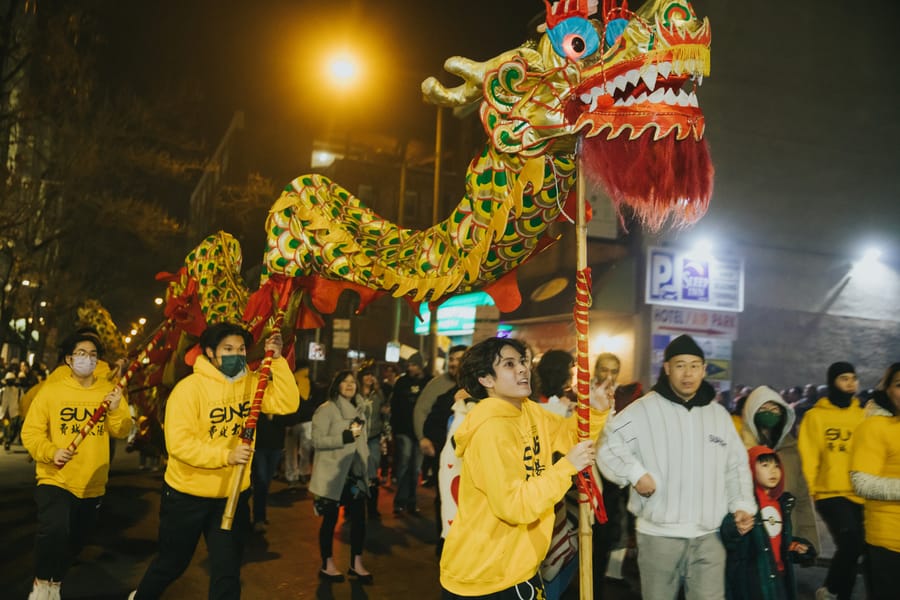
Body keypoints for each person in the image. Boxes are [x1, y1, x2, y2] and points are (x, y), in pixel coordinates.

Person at [129, 322, 299, 600]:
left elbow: (286, 403)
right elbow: (179, 445)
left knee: (227, 570)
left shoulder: (253, 383)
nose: (236, 355)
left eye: (241, 349)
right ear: (209, 352)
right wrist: (226, 456)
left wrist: (278, 361)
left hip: (232, 496)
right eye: (228, 349)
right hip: (187, 495)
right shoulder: (188, 391)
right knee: (172, 564)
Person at [439, 337, 605, 598]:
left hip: (517, 566)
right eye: (509, 364)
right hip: (486, 575)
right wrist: (566, 468)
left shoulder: (528, 411)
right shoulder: (490, 430)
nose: (522, 369)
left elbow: (567, 434)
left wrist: (595, 411)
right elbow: (514, 506)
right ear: (486, 379)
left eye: (523, 362)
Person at [596, 334, 756, 600]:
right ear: (667, 368)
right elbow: (607, 443)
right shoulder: (643, 410)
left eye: (694, 365)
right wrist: (635, 474)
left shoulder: (718, 416)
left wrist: (741, 505)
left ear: (704, 370)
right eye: (680, 365)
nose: (688, 373)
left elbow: (736, 465)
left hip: (710, 536)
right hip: (659, 535)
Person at [21, 329, 131, 600]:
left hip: (92, 482)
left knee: (75, 539)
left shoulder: (109, 391)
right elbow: (31, 432)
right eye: (81, 354)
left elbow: (122, 429)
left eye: (93, 355)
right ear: (69, 360)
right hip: (55, 476)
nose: (87, 359)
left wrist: (117, 408)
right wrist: (50, 452)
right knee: (54, 530)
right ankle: (41, 583)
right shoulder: (52, 391)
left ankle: (55, 582)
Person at [797, 361, 865, 600]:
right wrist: (810, 491)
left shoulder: (863, 415)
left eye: (853, 378)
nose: (850, 383)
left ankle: (839, 594)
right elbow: (809, 455)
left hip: (861, 491)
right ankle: (832, 589)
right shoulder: (815, 417)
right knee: (851, 541)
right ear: (832, 382)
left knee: (856, 547)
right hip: (830, 492)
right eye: (843, 378)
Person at [721, 446, 816, 600]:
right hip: (754, 583)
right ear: (750, 469)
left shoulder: (782, 503)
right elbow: (728, 537)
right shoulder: (744, 504)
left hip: (779, 578)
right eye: (765, 465)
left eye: (776, 466)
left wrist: (794, 547)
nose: (773, 471)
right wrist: (734, 527)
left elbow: (777, 541)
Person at [738, 385, 819, 551]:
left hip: (784, 539)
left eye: (775, 408)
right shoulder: (738, 450)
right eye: (764, 408)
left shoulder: (790, 450)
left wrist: (807, 539)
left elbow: (801, 498)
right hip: (749, 540)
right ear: (751, 411)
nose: (770, 412)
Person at [309, 370, 372, 584]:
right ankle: (327, 563)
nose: (349, 385)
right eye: (344, 382)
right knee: (330, 520)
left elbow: (362, 443)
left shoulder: (360, 411)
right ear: (337, 386)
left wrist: (367, 469)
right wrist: (343, 437)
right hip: (333, 474)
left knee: (359, 521)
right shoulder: (326, 410)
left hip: (355, 475)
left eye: (352, 382)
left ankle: (357, 562)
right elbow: (317, 440)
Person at [849, 362, 900, 600]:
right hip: (889, 542)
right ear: (886, 389)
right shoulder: (874, 427)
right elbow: (862, 482)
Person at [415, 345, 467, 485]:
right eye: (451, 359)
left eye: (459, 359)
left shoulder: (478, 386)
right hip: (443, 449)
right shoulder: (437, 385)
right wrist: (423, 438)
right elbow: (421, 410)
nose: (454, 363)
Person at [389, 352, 430, 516]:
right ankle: (400, 500)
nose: (410, 367)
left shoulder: (429, 382)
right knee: (404, 463)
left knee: (416, 468)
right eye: (409, 365)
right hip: (404, 431)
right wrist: (395, 429)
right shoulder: (402, 382)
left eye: (413, 365)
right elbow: (395, 405)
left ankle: (412, 501)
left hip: (420, 433)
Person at [358, 365, 388, 519]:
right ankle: (353, 508)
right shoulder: (356, 395)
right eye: (366, 375)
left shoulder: (377, 395)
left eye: (371, 375)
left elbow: (384, 410)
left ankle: (372, 508)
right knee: (356, 472)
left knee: (372, 471)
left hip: (373, 438)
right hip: (357, 439)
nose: (369, 378)